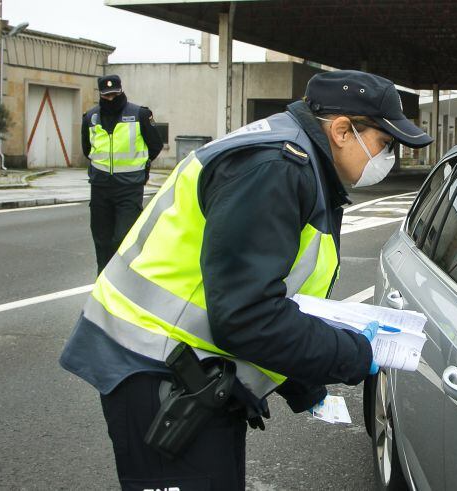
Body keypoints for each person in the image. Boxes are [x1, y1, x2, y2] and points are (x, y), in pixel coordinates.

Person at [59, 70, 433, 490]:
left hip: (184, 366)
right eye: (385, 145)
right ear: (344, 131)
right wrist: (357, 354)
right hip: (156, 368)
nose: (387, 160)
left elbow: (267, 294)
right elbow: (248, 315)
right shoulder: (273, 169)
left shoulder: (293, 156)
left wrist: (303, 385)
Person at [80, 75, 164, 274]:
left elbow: (156, 145)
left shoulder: (139, 115)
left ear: (121, 91)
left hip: (129, 187)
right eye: (106, 96)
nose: (111, 99)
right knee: (102, 241)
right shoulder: (90, 118)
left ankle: (125, 281)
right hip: (100, 188)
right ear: (100, 95)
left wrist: (140, 166)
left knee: (123, 238)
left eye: (114, 95)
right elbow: (87, 149)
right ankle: (103, 283)